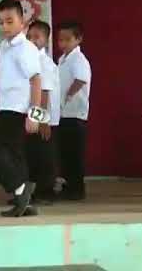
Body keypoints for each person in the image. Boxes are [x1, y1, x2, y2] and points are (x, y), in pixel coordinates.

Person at [0, 0, 42, 217]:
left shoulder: (25, 48)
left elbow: (36, 80)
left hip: (17, 109)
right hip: (5, 106)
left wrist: (35, 115)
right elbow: (4, 82)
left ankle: (20, 188)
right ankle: (23, 203)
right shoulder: (4, 47)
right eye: (0, 22)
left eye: (9, 21)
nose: (4, 27)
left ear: (23, 22)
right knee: (15, 154)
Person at [26, 21, 61, 203]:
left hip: (43, 118)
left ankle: (46, 192)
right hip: (34, 116)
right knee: (34, 155)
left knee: (45, 156)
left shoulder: (45, 63)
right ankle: (32, 193)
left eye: (37, 37)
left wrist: (43, 120)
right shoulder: (29, 59)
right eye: (29, 36)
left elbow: (45, 92)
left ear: (46, 40)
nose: (32, 40)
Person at [57, 21, 92, 200]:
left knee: (74, 154)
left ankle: (77, 189)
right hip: (64, 114)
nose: (63, 43)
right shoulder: (62, 60)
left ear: (78, 39)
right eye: (60, 39)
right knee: (66, 153)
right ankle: (69, 185)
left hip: (75, 114)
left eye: (67, 39)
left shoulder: (79, 59)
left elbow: (81, 80)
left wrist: (67, 96)